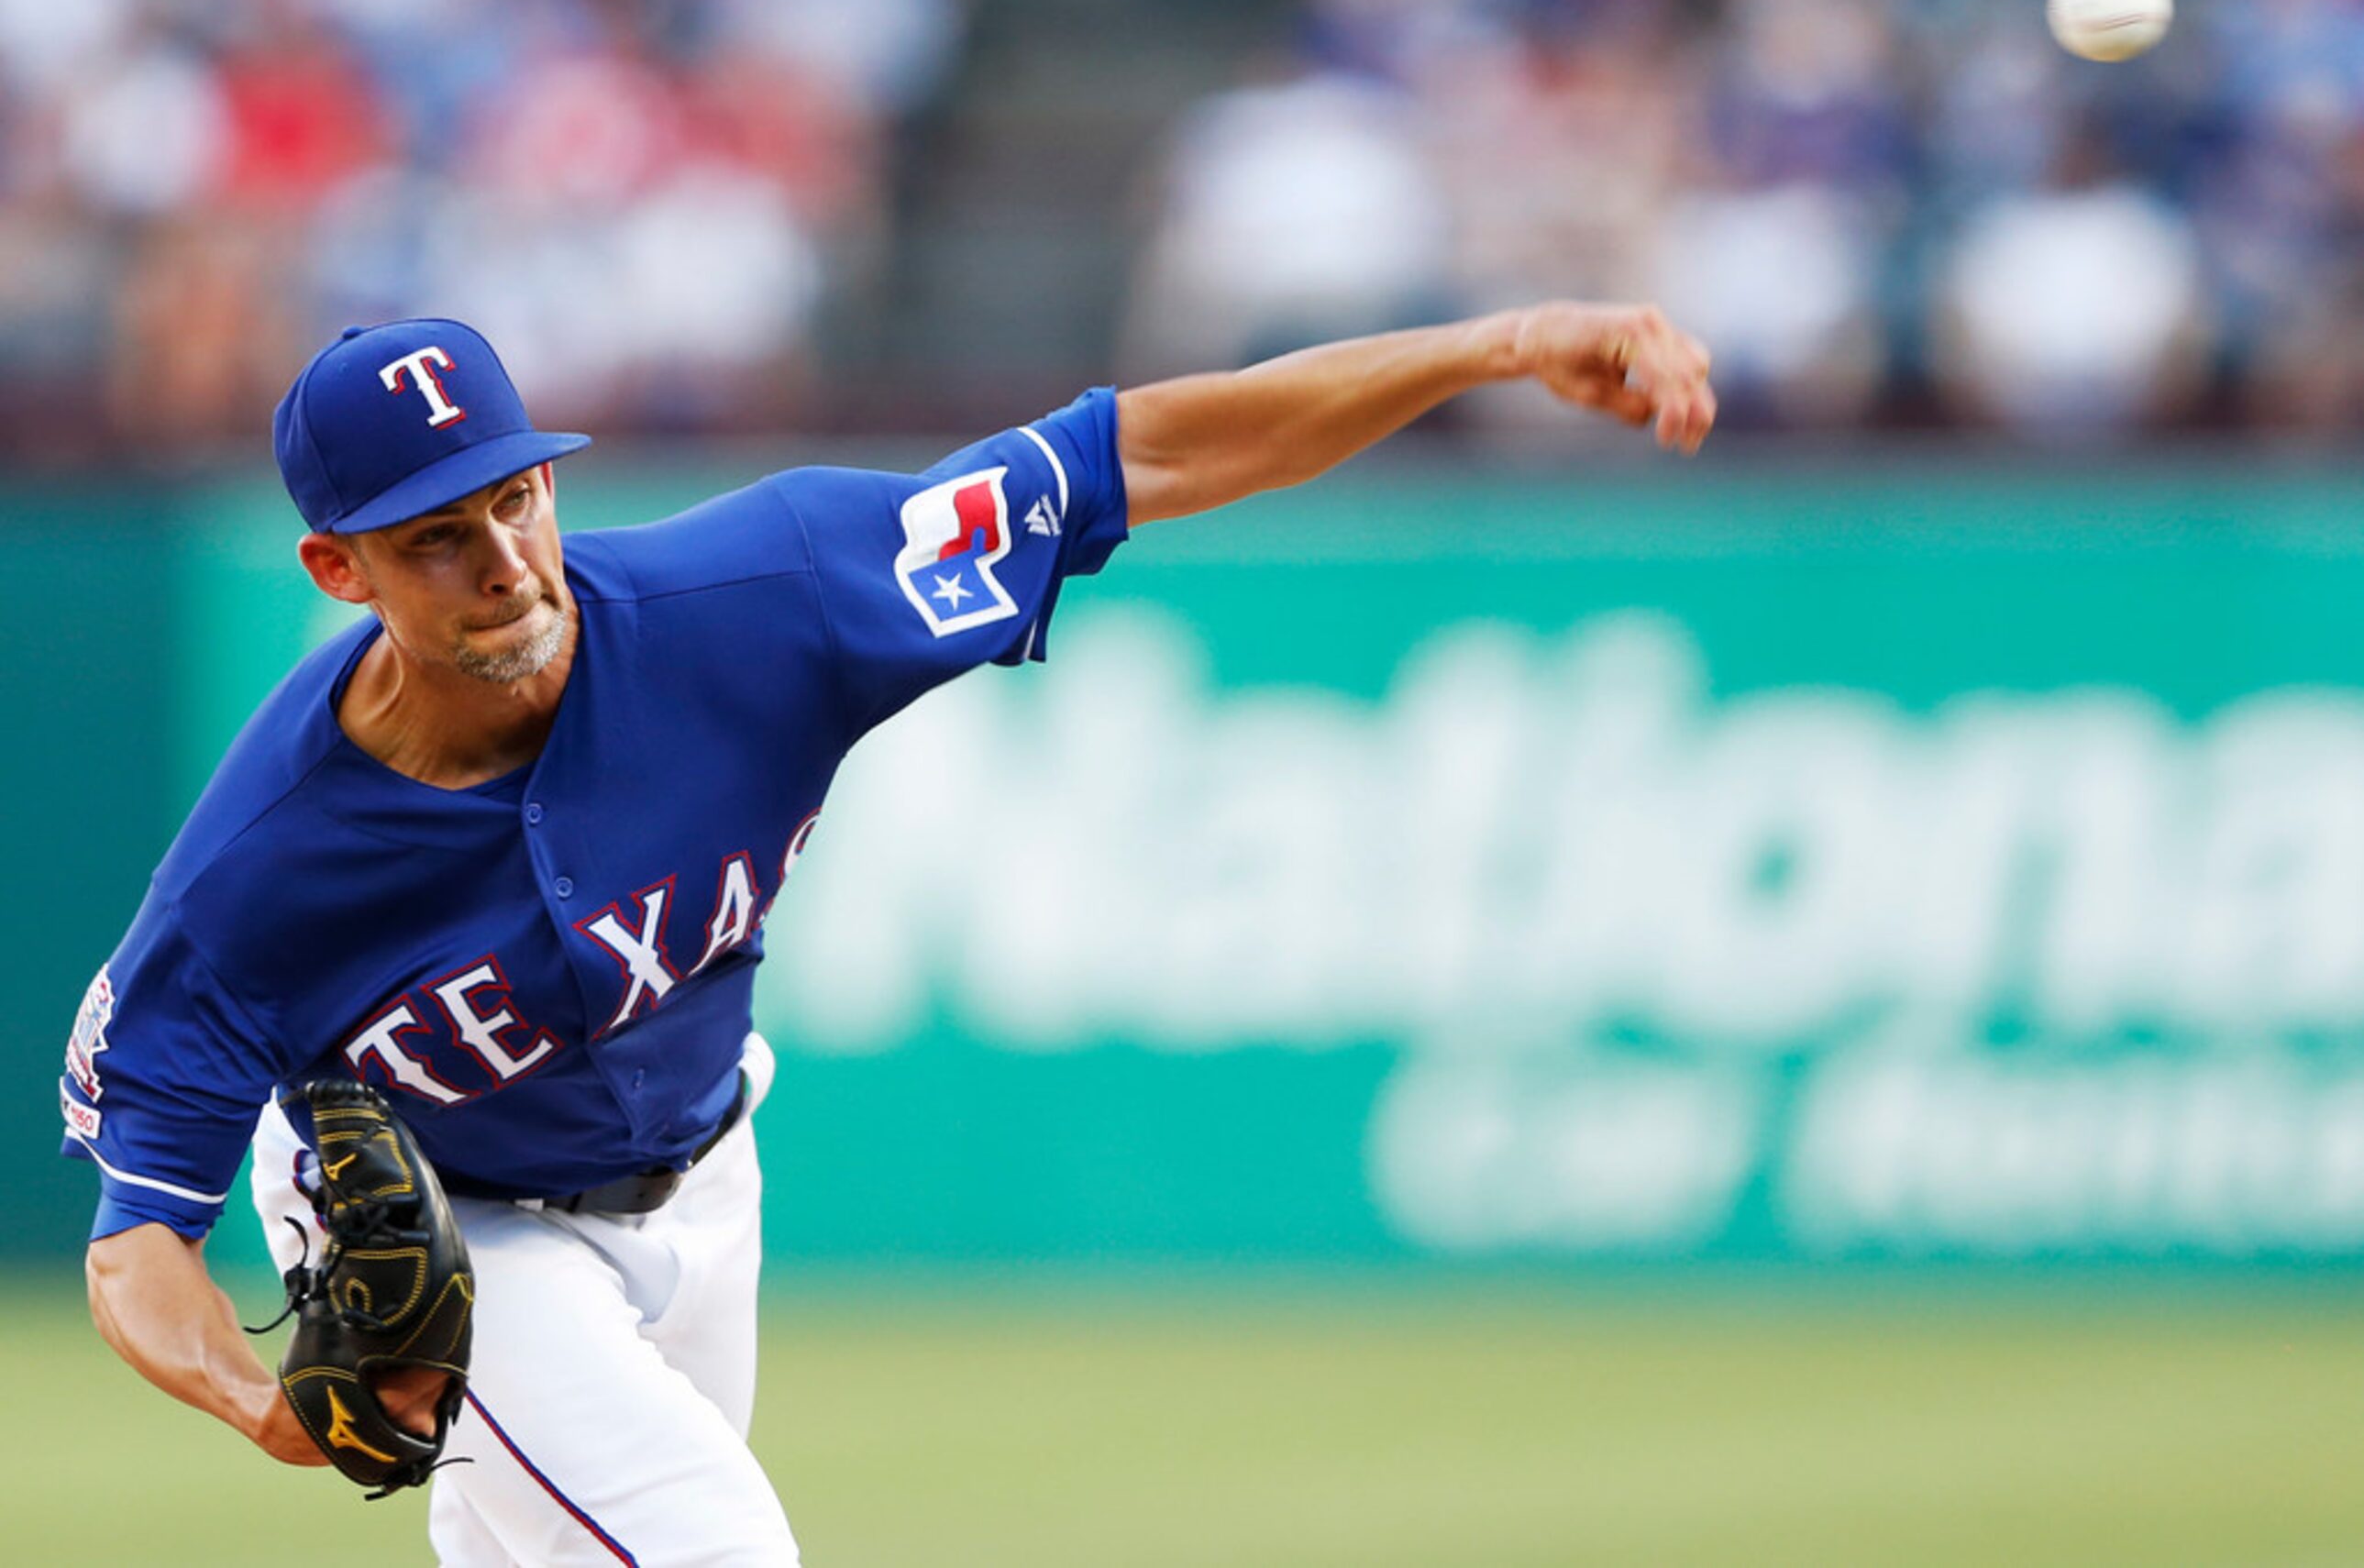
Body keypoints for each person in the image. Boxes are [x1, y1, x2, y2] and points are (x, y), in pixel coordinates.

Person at [64, 303, 1714, 1563]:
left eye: (517, 496)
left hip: (705, 1171)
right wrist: (259, 1401)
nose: (504, 560)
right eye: (439, 535)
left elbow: (1138, 455)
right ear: (337, 566)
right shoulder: (257, 876)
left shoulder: (765, 595)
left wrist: (1498, 345)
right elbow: (138, 1241)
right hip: (456, 1220)